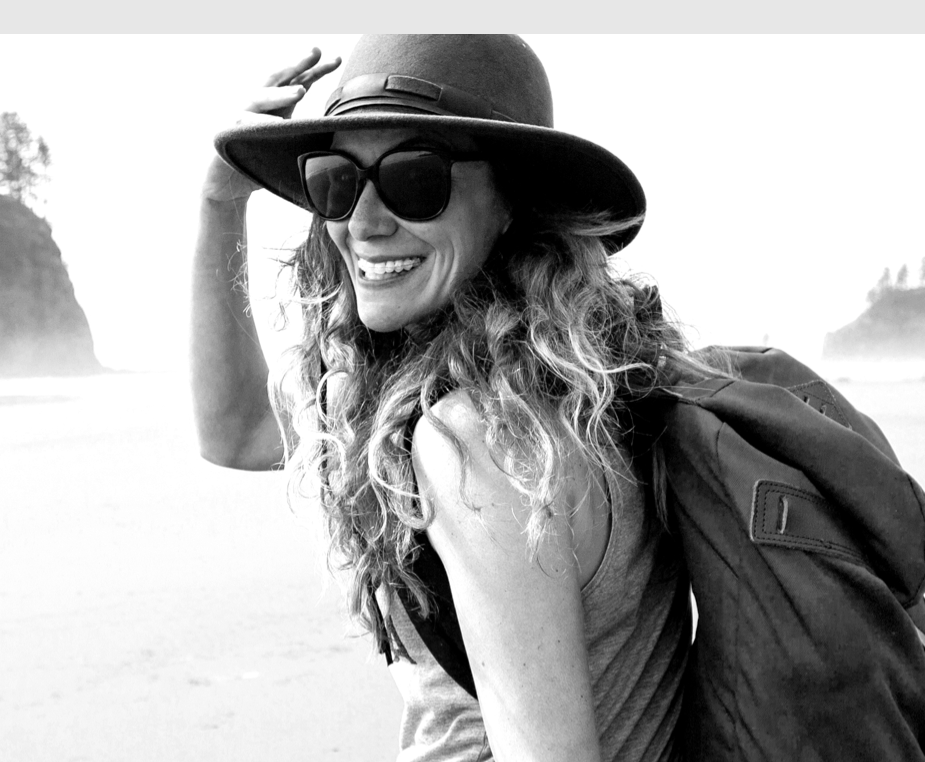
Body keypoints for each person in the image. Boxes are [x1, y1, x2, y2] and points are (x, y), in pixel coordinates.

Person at [193, 34, 696, 762]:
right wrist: (220, 200)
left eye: (415, 179)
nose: (363, 221)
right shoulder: (592, 384)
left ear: (512, 201)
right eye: (335, 181)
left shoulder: (481, 441)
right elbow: (235, 432)